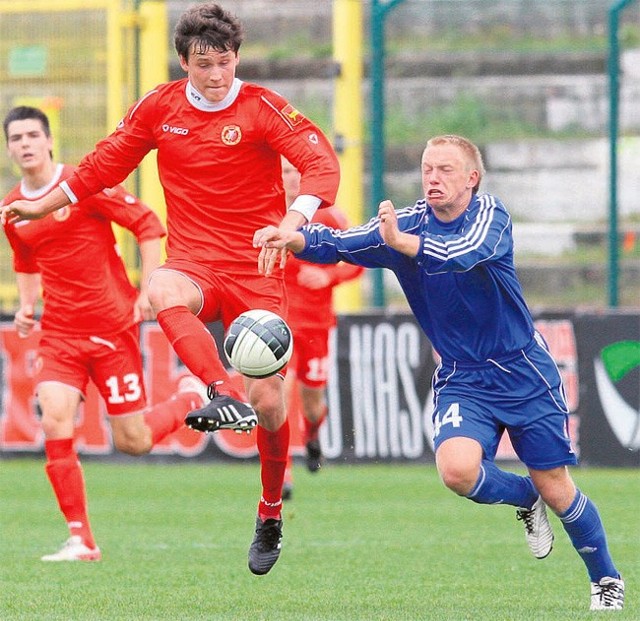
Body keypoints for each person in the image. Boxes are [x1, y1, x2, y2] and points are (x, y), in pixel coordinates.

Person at [0, 3, 340, 575]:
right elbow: (101, 167)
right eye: (203, 64)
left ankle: (271, 510)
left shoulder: (262, 107)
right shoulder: (160, 108)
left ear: (237, 58)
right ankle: (215, 391)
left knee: (271, 406)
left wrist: (293, 222)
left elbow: (320, 162)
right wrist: (40, 203)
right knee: (161, 287)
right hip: (196, 263)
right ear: (184, 62)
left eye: (225, 62)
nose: (216, 74)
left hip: (258, 269)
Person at [254, 134, 624, 610]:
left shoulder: (490, 215)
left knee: (558, 487)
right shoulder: (405, 222)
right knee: (457, 471)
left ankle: (606, 580)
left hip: (523, 373)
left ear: (471, 178)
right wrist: (295, 238)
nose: (433, 177)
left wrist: (400, 244)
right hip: (461, 377)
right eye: (428, 168)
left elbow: (463, 251)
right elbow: (341, 243)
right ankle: (524, 498)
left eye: (446, 170)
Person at [2, 105, 210, 562]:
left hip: (112, 328)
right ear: (9, 148)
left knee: (132, 441)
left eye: (33, 135)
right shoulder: (14, 208)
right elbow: (25, 261)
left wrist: (151, 285)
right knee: (54, 416)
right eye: (16, 138)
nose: (25, 144)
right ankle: (81, 538)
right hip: (59, 334)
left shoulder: (82, 185)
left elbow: (148, 224)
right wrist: (27, 307)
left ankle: (190, 398)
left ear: (49, 139)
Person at [280, 158, 363, 499]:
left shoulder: (328, 216)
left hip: (315, 325)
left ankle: (312, 435)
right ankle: (283, 472)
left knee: (312, 401)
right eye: (284, 172)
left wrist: (328, 275)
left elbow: (359, 259)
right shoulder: (261, 212)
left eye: (297, 172)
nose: (291, 179)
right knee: (278, 394)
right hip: (277, 323)